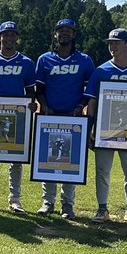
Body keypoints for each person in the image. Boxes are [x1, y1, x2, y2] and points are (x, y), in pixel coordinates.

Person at [84, 28, 127, 225]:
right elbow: (92, 103)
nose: (112, 46)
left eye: (116, 42)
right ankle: (102, 209)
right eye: (110, 42)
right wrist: (90, 129)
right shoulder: (101, 71)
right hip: (105, 129)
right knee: (102, 170)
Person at [33, 18, 94, 217]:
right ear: (55, 35)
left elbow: (90, 90)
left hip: (73, 117)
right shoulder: (44, 59)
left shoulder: (84, 60)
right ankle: (48, 202)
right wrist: (44, 105)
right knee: (48, 160)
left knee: (70, 162)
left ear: (74, 35)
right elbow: (39, 88)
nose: (64, 33)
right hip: (50, 115)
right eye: (61, 30)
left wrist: (80, 106)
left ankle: (67, 204)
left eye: (68, 30)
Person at [0, 21, 35, 214]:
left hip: (17, 117)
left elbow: (30, 91)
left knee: (16, 159)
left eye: (12, 35)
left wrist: (31, 106)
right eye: (5, 35)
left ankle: (15, 199)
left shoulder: (26, 63)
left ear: (17, 38)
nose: (9, 38)